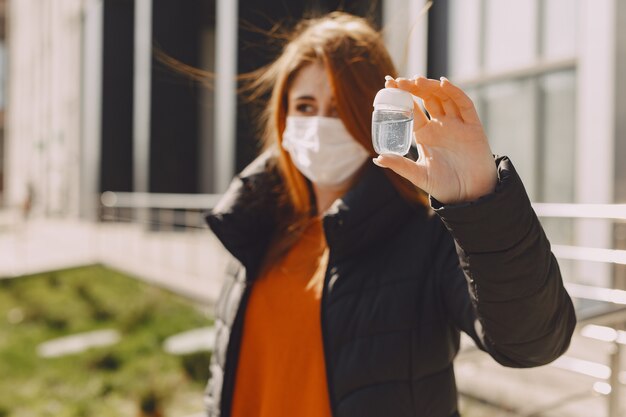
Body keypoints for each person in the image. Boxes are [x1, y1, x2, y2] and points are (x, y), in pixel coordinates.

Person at [203, 12, 576, 417]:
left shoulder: (427, 236)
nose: (320, 125)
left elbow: (534, 343)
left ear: (375, 118)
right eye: (305, 106)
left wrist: (481, 202)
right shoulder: (257, 223)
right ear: (283, 118)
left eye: (341, 108)